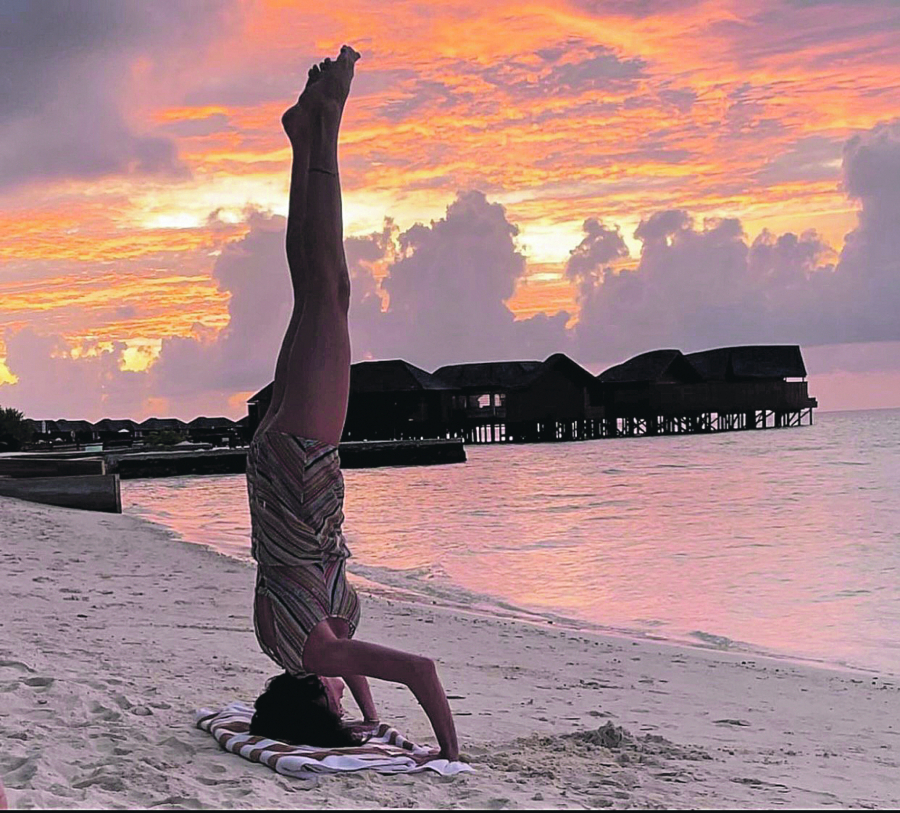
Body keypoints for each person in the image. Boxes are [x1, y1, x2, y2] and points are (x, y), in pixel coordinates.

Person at [245, 45, 459, 761]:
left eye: (339, 697)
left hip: (305, 471)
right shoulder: (293, 645)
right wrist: (361, 708)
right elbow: (351, 663)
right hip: (275, 471)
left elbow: (420, 672)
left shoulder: (315, 651)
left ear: (318, 690)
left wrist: (452, 754)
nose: (350, 692)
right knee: (318, 290)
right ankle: (306, 137)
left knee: (330, 288)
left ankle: (326, 124)